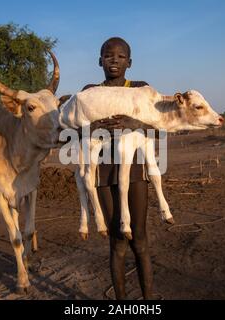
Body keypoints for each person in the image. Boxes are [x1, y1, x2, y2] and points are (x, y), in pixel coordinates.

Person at [81, 37, 155, 300]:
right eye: (108, 55)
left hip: (135, 172)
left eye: (121, 56)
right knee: (117, 242)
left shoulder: (140, 89)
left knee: (140, 239)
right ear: (99, 60)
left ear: (130, 62)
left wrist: (135, 122)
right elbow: (75, 129)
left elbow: (158, 127)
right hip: (103, 174)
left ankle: (148, 300)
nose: (114, 60)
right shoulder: (90, 93)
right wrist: (93, 127)